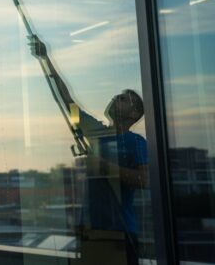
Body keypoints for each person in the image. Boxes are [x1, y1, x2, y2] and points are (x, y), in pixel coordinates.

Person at [29, 35, 148, 265]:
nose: (115, 98)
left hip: (119, 235)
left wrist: (103, 166)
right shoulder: (94, 131)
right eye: (117, 95)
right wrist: (45, 59)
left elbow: (144, 180)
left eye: (123, 99)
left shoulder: (136, 142)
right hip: (92, 232)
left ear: (134, 115)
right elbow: (66, 101)